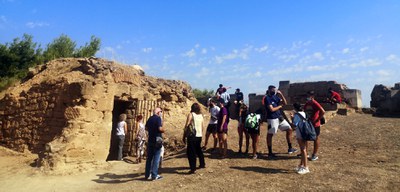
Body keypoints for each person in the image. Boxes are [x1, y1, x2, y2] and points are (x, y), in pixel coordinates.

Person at [264, 85, 297, 157]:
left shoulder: (275, 97)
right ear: (269, 90)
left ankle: (290, 148)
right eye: (272, 90)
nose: (274, 91)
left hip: (279, 117)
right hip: (272, 118)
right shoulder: (267, 98)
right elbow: (271, 109)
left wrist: (281, 95)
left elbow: (285, 103)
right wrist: (279, 106)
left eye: (274, 90)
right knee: (270, 134)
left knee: (289, 129)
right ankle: (270, 152)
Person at [182, 103, 206, 174]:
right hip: (199, 135)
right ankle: (202, 164)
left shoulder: (191, 114)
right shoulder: (201, 116)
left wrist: (184, 136)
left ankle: (193, 168)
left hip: (192, 136)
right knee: (198, 150)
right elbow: (202, 127)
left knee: (191, 152)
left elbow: (187, 125)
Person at [304, 91, 325, 161]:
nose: (307, 97)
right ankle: (305, 153)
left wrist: (317, 120)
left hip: (315, 124)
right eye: (307, 96)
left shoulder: (315, 103)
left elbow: (323, 111)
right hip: (308, 123)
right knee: (305, 138)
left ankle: (314, 154)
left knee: (316, 138)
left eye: (309, 96)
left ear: (312, 97)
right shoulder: (307, 103)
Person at [145, 108, 165, 181]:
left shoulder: (150, 118)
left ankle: (147, 175)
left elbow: (146, 127)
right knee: (156, 157)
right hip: (157, 140)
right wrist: (163, 130)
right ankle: (154, 175)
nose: (161, 113)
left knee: (149, 158)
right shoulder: (158, 118)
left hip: (150, 139)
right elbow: (160, 129)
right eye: (160, 111)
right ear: (158, 112)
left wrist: (151, 131)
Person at [291, 103, 310, 174]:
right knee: (303, 149)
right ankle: (301, 165)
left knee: (303, 150)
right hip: (305, 132)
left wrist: (292, 118)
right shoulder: (304, 113)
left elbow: (294, 125)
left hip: (300, 133)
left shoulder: (296, 115)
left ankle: (306, 167)